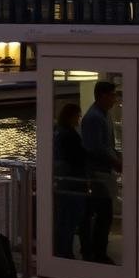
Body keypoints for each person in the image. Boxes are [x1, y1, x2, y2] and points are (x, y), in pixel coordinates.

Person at [79, 81, 122, 264]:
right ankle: (98, 253)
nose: (115, 99)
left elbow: (107, 145)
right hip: (98, 174)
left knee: (99, 214)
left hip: (103, 171)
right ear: (103, 95)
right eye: (113, 95)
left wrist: (117, 156)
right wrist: (116, 162)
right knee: (103, 215)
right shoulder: (95, 118)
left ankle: (93, 250)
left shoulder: (103, 115)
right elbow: (95, 147)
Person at [52, 103, 88, 259]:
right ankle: (65, 251)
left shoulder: (58, 133)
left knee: (63, 218)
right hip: (73, 182)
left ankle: (62, 249)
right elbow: (78, 159)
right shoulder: (70, 136)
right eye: (78, 116)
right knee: (70, 218)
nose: (79, 119)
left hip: (62, 181)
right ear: (71, 116)